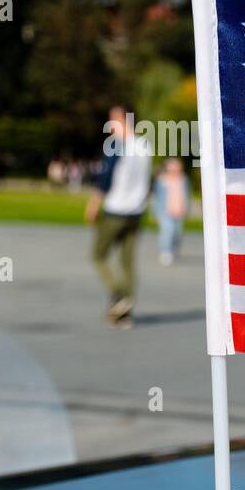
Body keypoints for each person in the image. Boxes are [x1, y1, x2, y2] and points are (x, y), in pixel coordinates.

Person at [84, 106, 151, 329]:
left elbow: (105, 179)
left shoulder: (116, 145)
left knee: (98, 255)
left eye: (113, 120)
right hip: (137, 211)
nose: (110, 125)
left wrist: (93, 205)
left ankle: (118, 295)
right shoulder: (144, 145)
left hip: (116, 210)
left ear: (125, 120)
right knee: (127, 262)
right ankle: (125, 313)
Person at [151, 158, 190, 266]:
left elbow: (187, 195)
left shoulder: (183, 180)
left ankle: (173, 249)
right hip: (165, 211)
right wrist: (155, 212)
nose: (174, 171)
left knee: (177, 233)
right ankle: (165, 252)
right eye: (172, 169)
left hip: (179, 210)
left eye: (176, 169)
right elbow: (156, 197)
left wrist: (186, 209)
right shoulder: (162, 180)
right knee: (167, 231)